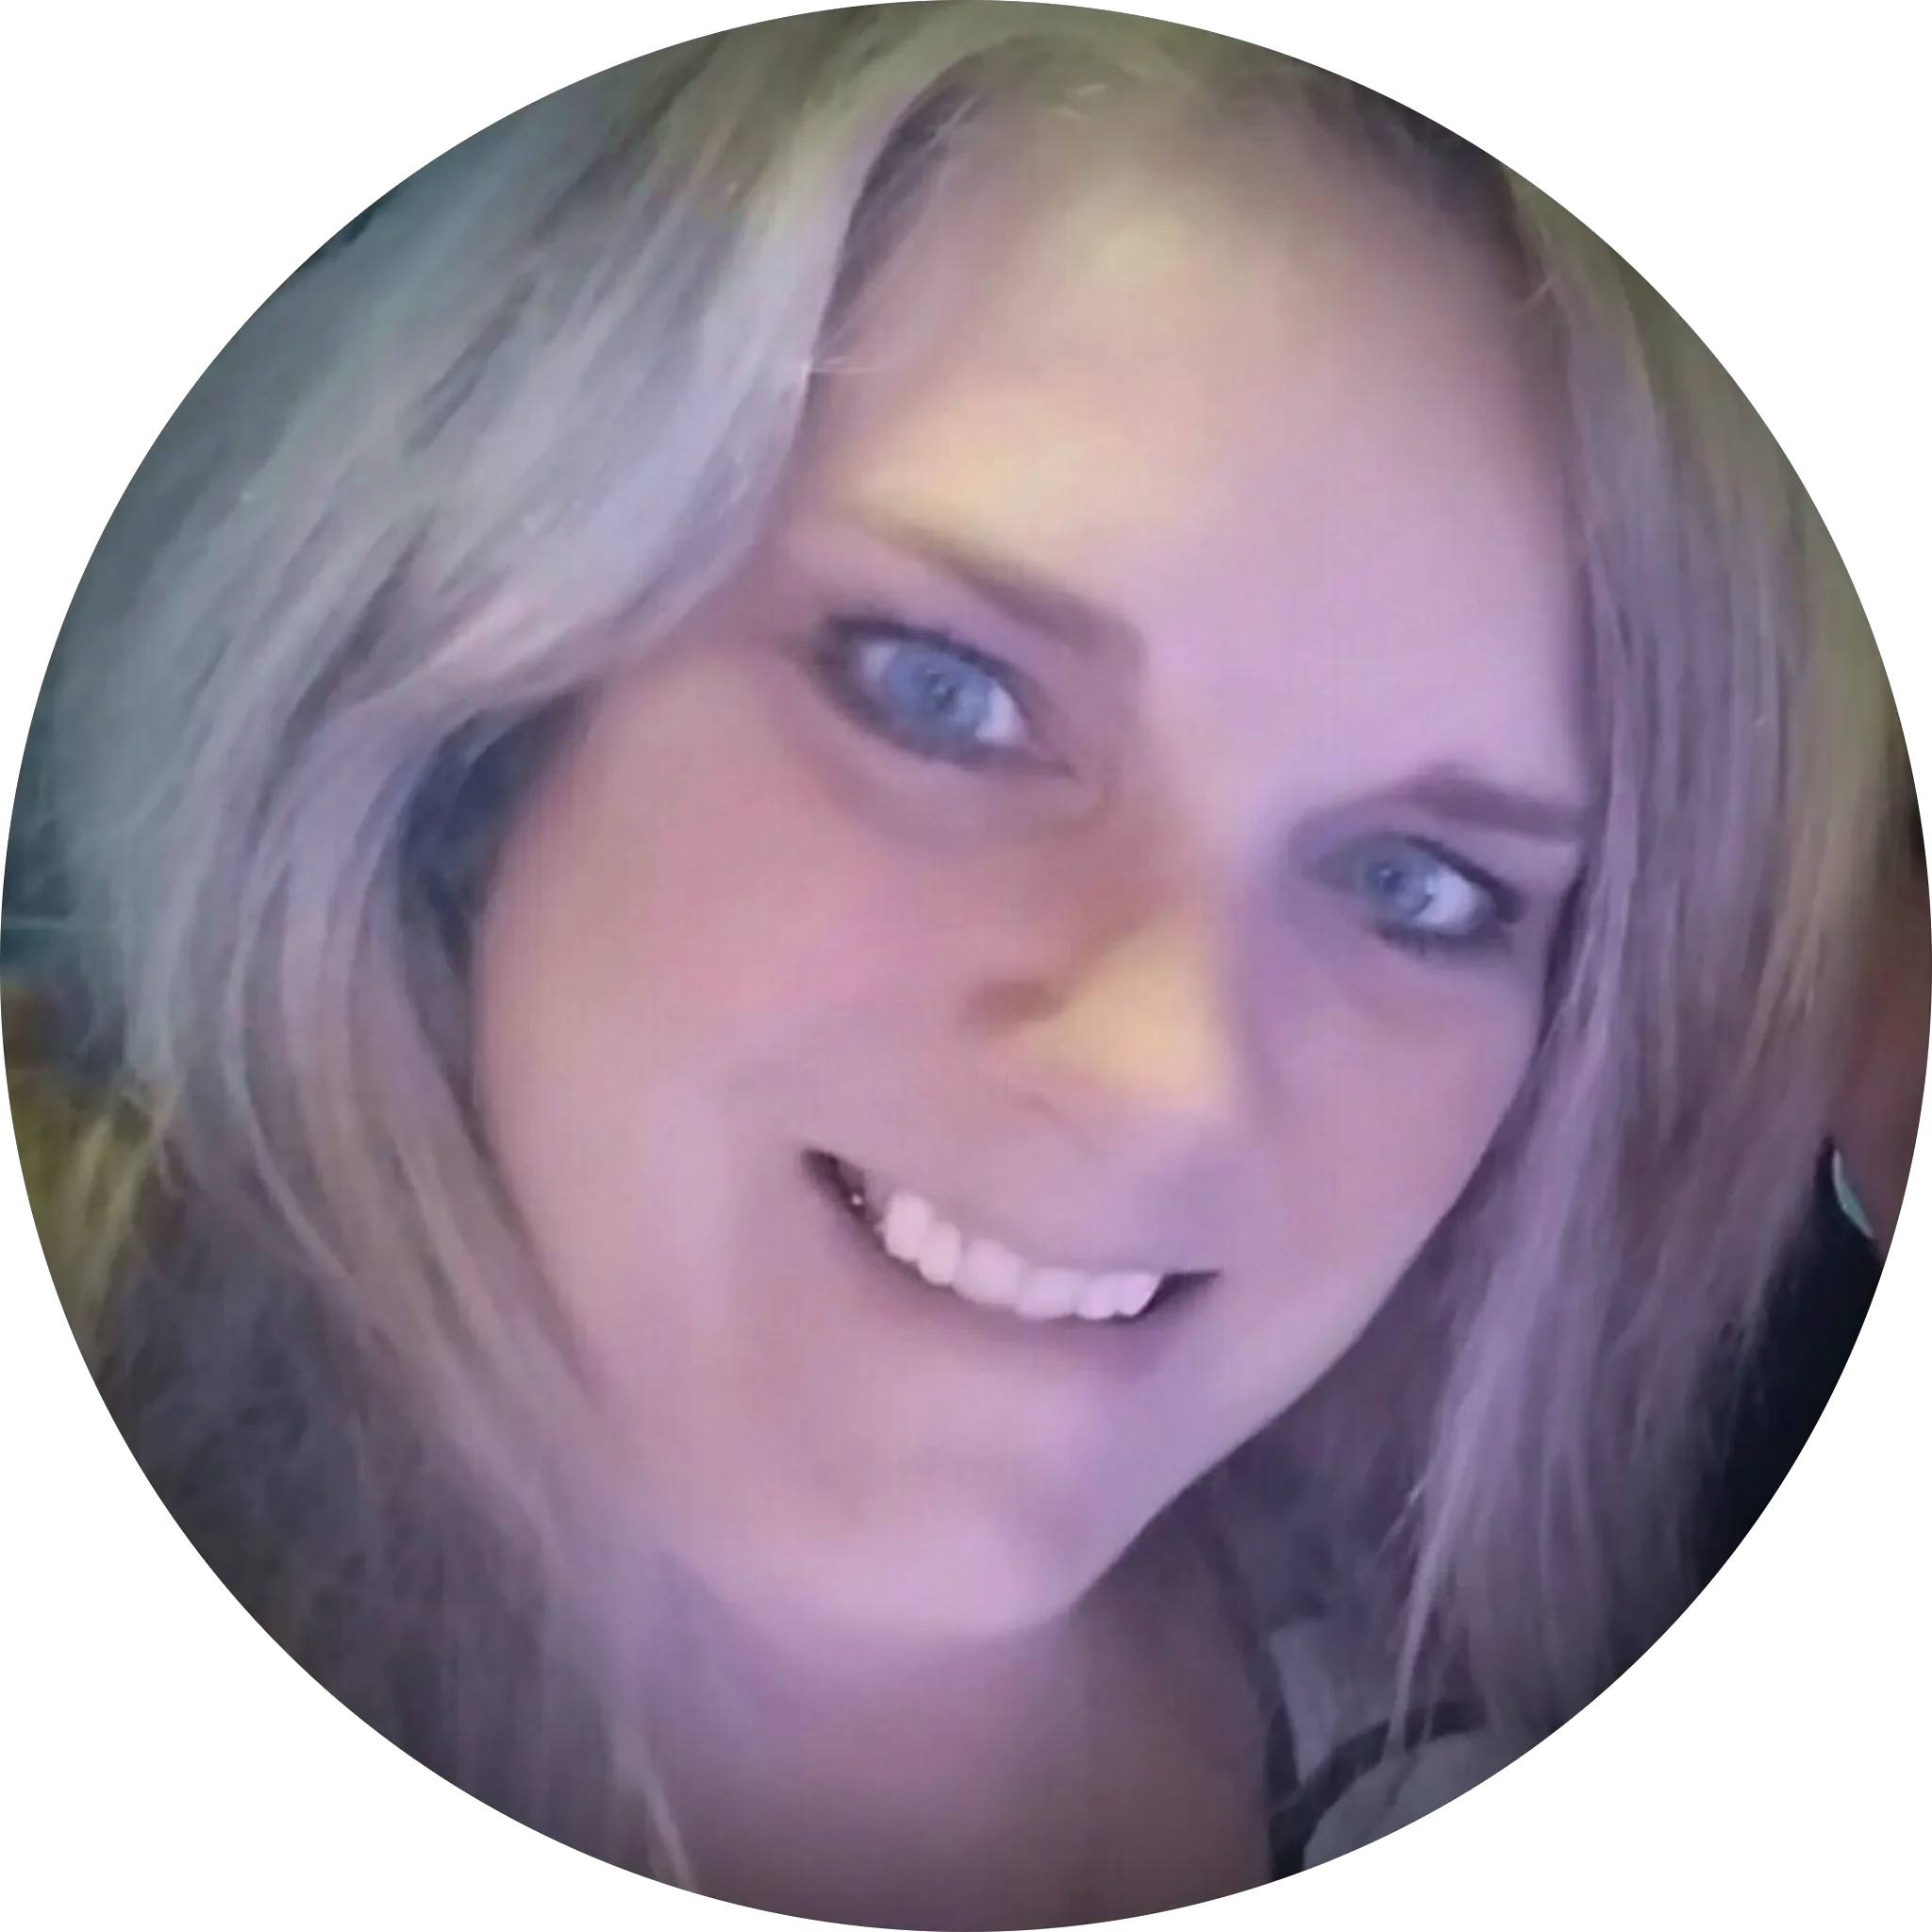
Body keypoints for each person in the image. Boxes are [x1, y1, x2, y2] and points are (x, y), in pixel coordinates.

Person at [4, 8, 1923, 1924]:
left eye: (1418, 888)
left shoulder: (1463, 1695)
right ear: (476, 721)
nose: (1170, 1074)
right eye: (945, 695)